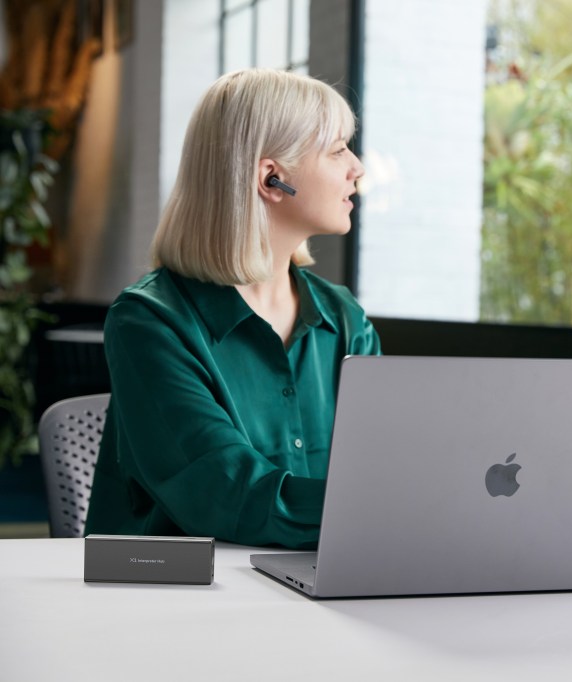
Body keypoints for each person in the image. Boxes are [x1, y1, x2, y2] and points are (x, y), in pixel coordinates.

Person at [85, 69, 381, 548]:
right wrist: (382, 516)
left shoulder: (345, 320)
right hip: (181, 602)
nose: (358, 167)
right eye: (337, 149)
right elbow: (226, 493)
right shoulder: (149, 322)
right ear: (272, 178)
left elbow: (380, 471)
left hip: (317, 589)